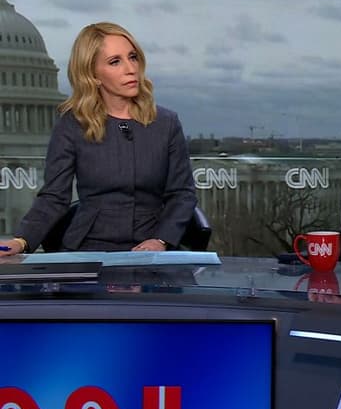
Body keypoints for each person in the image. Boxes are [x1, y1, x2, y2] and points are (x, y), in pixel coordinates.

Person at [0, 22, 196, 254]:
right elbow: (54, 197)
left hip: (152, 247)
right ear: (92, 75)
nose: (130, 69)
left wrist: (161, 240)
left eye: (132, 57)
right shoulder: (72, 125)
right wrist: (21, 241)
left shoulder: (166, 123)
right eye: (115, 61)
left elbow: (182, 195)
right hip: (89, 247)